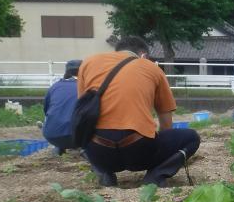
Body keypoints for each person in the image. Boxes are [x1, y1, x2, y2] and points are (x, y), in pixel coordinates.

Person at [79, 37, 200, 188]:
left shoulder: (88, 63)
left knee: (84, 133)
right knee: (192, 138)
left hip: (99, 152)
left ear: (117, 52)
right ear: (144, 55)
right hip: (138, 151)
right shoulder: (151, 68)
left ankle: (104, 173)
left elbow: (82, 114)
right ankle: (155, 176)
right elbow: (166, 124)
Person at [42, 59, 81, 154]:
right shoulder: (85, 86)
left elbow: (46, 110)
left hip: (51, 136)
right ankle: (86, 150)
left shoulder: (54, 87)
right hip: (78, 137)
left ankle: (59, 146)